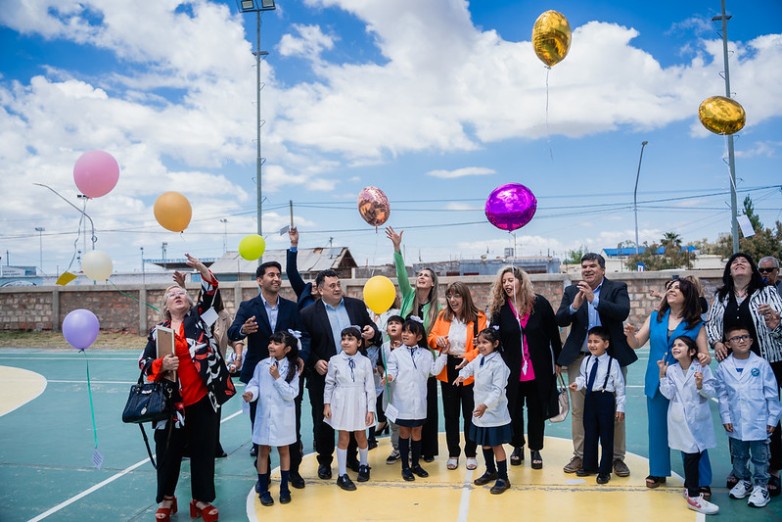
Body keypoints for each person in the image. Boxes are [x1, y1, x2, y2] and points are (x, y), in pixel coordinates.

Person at [139, 254, 235, 522]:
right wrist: (160, 364)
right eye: (173, 295)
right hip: (170, 405)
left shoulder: (199, 320)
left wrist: (202, 269)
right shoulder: (159, 331)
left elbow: (212, 293)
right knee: (168, 453)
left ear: (190, 302)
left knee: (203, 452)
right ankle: (167, 500)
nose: (178, 295)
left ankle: (201, 500)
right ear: (166, 307)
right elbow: (143, 363)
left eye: (182, 293)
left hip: (203, 400)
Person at [623, 277, 713, 492]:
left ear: (687, 296)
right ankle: (658, 470)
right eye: (670, 288)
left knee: (691, 429)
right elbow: (637, 343)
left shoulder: (697, 323)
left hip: (685, 385)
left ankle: (700, 479)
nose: (671, 290)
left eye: (677, 288)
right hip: (657, 380)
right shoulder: (655, 317)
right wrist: (629, 335)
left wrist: (702, 358)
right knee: (657, 429)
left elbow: (705, 354)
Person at [227, 261, 309, 489]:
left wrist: (302, 356)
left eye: (278, 274)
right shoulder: (248, 307)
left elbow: (305, 336)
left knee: (292, 426)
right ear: (259, 280)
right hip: (260, 376)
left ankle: (292, 472)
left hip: (286, 375)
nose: (276, 278)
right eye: (270, 274)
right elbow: (232, 331)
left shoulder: (292, 308)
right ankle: (263, 478)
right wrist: (243, 330)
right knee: (260, 430)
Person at [705, 252, 782, 493]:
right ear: (729, 271)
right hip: (734, 365)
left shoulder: (768, 292)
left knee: (768, 414)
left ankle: (771, 468)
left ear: (753, 271)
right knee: (736, 413)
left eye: (744, 262)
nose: (738, 264)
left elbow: (779, 324)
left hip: (767, 361)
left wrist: (775, 323)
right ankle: (740, 469)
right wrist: (717, 343)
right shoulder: (722, 296)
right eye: (734, 263)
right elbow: (712, 325)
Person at [556, 253, 635, 477]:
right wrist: (574, 306)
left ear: (602, 269)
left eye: (592, 266)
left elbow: (622, 312)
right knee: (580, 411)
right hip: (580, 358)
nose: (587, 270)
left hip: (612, 359)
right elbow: (560, 318)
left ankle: (617, 458)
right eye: (584, 267)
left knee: (615, 410)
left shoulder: (617, 287)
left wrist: (595, 300)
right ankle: (581, 456)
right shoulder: (572, 291)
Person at [301, 269, 381, 480]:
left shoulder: (356, 305)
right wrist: (315, 361)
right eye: (332, 286)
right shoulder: (307, 314)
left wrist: (372, 331)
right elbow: (304, 345)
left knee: (355, 416)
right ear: (319, 290)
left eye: (338, 284)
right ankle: (325, 461)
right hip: (324, 376)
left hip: (354, 377)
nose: (337, 289)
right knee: (323, 419)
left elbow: (369, 327)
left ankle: (352, 459)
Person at [489, 266, 561, 470]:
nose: (507, 284)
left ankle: (535, 449)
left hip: (539, 369)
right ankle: (517, 446)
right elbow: (494, 338)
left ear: (521, 281)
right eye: (504, 282)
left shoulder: (540, 304)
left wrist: (558, 361)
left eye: (511, 280)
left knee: (537, 412)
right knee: (513, 411)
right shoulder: (500, 308)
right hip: (511, 371)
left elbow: (553, 335)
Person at [386, 226, 442, 462]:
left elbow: (438, 335)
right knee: (401, 405)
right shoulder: (408, 295)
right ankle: (401, 448)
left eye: (426, 276)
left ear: (432, 283)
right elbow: (400, 272)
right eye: (419, 274)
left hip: (423, 365)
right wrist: (397, 247)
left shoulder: (437, 308)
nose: (421, 277)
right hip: (402, 360)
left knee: (425, 406)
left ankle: (426, 450)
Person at [715, 325, 782, 509]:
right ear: (728, 344)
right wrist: (726, 418)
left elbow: (771, 395)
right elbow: (722, 396)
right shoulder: (724, 368)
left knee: (761, 457)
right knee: (739, 455)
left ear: (752, 341)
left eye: (745, 337)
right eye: (736, 338)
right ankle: (744, 481)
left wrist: (772, 419)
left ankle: (761, 487)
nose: (742, 340)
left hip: (759, 421)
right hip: (736, 422)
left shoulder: (761, 365)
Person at [428, 281, 487, 471]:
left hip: (470, 367)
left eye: (456, 296)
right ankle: (453, 453)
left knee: (471, 413)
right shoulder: (442, 316)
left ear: (465, 297)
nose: (452, 300)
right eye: (449, 296)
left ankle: (471, 453)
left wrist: (469, 357)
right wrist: (436, 341)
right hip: (449, 366)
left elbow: (485, 345)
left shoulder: (479, 317)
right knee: (450, 414)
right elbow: (431, 337)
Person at [658, 336, 719, 515]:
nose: (676, 347)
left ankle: (690, 489)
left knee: (696, 453)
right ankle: (693, 495)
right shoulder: (671, 370)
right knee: (691, 455)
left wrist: (700, 385)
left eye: (680, 345)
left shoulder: (703, 368)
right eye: (674, 345)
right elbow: (668, 393)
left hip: (698, 418)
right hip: (680, 419)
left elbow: (711, 392)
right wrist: (662, 374)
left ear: (692, 351)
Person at [384, 317, 447, 481]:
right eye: (404, 331)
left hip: (419, 400)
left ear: (419, 337)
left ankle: (416, 465)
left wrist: (443, 355)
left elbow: (433, 370)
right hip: (402, 400)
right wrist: (389, 377)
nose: (405, 334)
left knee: (417, 431)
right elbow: (392, 371)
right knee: (404, 432)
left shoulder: (426, 354)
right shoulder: (396, 354)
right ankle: (405, 466)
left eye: (410, 332)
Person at [242, 331, 300, 506]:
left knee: (284, 450)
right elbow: (255, 383)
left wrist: (277, 377)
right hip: (264, 415)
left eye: (277, 343)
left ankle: (284, 487)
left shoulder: (293, 368)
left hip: (283, 417)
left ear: (287, 348)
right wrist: (251, 394)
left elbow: (291, 394)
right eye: (271, 342)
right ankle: (264, 489)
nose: (271, 346)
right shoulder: (261, 365)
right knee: (263, 451)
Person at [455, 327, 513, 494]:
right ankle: (490, 470)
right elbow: (470, 367)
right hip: (481, 411)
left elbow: (497, 390)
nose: (481, 346)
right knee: (485, 444)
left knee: (496, 445)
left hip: (493, 412)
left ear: (495, 344)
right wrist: (462, 375)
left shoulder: (498, 364)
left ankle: (503, 478)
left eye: (485, 342)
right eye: (479, 342)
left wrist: (485, 405)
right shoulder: (480, 358)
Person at [568, 326, 625, 485]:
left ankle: (605, 470)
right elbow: (583, 379)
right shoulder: (586, 360)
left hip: (605, 398)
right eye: (590, 341)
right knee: (590, 433)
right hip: (590, 399)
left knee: (606, 436)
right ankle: (589, 466)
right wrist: (577, 385)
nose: (592, 345)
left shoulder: (612, 363)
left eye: (596, 342)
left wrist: (620, 407)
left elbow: (620, 386)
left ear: (606, 344)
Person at [324, 326, 376, 491]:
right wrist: (327, 404)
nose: (346, 342)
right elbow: (329, 383)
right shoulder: (335, 360)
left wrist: (371, 409)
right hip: (341, 402)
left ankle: (363, 465)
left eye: (350, 339)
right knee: (343, 437)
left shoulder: (365, 361)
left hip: (359, 401)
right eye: (343, 339)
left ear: (359, 342)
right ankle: (341, 474)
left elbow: (370, 387)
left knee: (361, 435)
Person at [381, 315, 405, 464]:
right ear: (387, 329)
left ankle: (408, 449)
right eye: (390, 323)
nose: (393, 325)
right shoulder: (383, 347)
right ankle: (396, 449)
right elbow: (379, 364)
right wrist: (383, 373)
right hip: (390, 391)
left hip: (406, 391)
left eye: (397, 323)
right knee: (394, 423)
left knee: (408, 423)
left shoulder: (408, 346)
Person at [286, 227, 319, 310]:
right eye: (314, 282)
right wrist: (294, 243)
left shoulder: (331, 302)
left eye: (318, 283)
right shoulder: (304, 292)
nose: (314, 285)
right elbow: (291, 271)